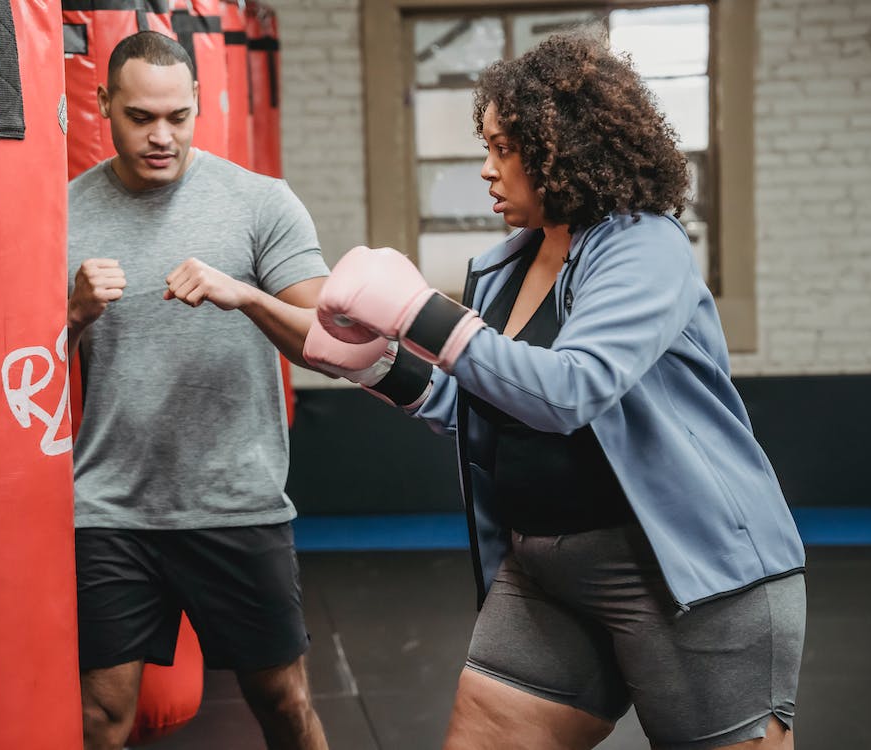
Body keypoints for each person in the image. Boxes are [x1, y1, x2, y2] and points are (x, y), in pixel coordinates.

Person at [305, 29, 806, 750]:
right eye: (486, 146)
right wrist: (381, 367)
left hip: (686, 579)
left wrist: (422, 313)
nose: (486, 169)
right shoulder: (505, 268)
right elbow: (491, 407)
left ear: (563, 150)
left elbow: (570, 391)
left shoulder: (644, 245)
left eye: (502, 148)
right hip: (545, 577)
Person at [66, 31, 329, 750]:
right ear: (103, 107)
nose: (160, 136)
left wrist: (245, 296)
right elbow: (17, 372)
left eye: (176, 117)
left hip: (234, 501)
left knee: (282, 701)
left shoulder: (259, 204)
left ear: (198, 107)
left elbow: (332, 345)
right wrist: (73, 315)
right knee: (99, 717)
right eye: (140, 117)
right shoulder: (60, 213)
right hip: (109, 507)